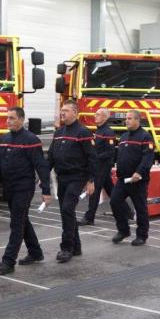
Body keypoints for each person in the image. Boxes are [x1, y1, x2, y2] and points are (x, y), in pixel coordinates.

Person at [0, 107, 51, 274]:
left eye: (12, 118)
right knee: (22, 220)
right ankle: (36, 252)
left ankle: (8, 262)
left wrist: (46, 190)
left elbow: (41, 166)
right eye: (7, 118)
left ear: (22, 120)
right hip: (9, 187)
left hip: (24, 188)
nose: (8, 121)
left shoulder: (31, 140)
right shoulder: (4, 139)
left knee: (16, 223)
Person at [47, 99, 97, 263]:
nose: (62, 113)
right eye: (61, 110)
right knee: (66, 212)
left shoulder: (83, 132)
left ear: (75, 113)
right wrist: (43, 175)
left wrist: (91, 180)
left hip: (77, 177)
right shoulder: (59, 132)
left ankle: (66, 248)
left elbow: (92, 158)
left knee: (68, 209)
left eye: (66, 111)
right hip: (62, 178)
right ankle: (76, 246)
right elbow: (51, 157)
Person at [110, 110, 155, 246]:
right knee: (114, 201)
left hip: (138, 180)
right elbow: (120, 156)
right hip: (123, 179)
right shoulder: (123, 136)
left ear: (137, 120)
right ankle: (123, 230)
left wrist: (139, 172)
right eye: (126, 119)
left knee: (140, 208)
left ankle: (142, 235)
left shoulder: (145, 137)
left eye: (129, 118)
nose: (126, 121)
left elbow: (148, 157)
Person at [78, 108, 115, 226]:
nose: (95, 116)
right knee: (112, 192)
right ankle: (126, 212)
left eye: (98, 115)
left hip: (102, 166)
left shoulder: (108, 132)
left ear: (104, 117)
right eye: (95, 114)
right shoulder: (99, 131)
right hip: (98, 166)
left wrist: (95, 156)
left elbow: (110, 152)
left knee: (94, 191)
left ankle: (89, 217)